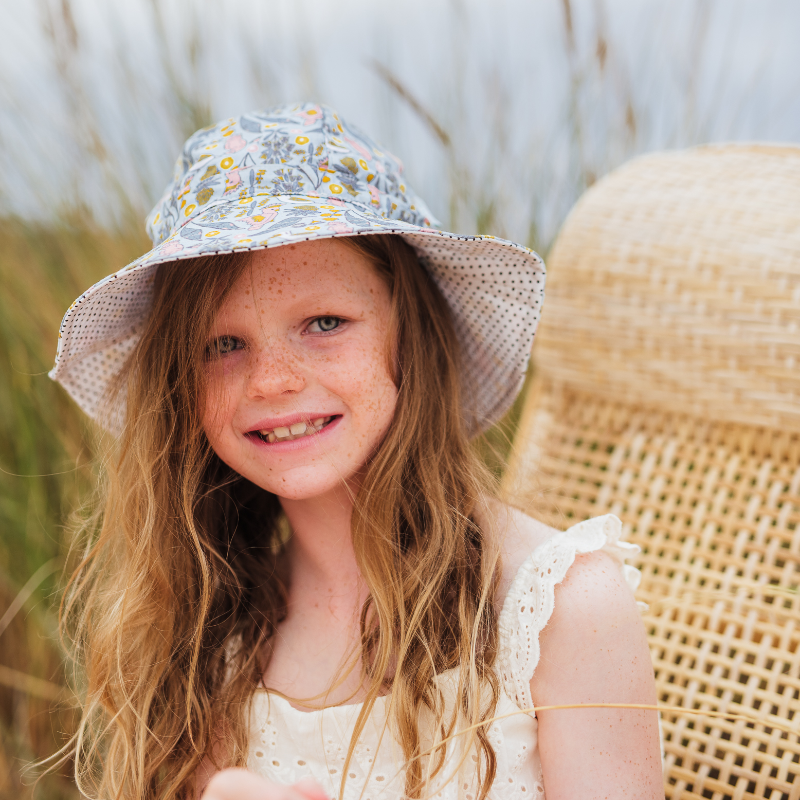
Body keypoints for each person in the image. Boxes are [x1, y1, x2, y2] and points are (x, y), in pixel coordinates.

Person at [50, 103, 662, 800]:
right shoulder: (213, 634)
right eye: (224, 344)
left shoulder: (556, 607)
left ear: (410, 335)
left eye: (324, 322)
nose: (272, 380)